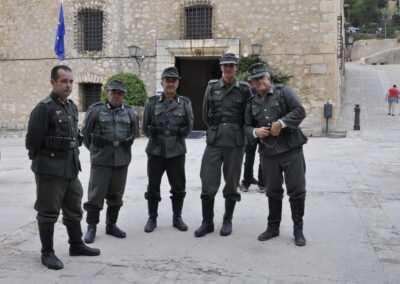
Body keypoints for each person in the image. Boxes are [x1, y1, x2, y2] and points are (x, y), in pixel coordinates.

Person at [25, 65, 100, 270]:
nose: (68, 85)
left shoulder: (70, 107)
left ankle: (76, 244)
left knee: (74, 208)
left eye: (70, 81)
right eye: (64, 81)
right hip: (50, 170)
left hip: (70, 168)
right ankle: (47, 252)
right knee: (48, 212)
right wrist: (43, 164)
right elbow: (32, 142)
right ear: (53, 83)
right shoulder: (44, 108)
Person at [244, 62, 308, 246]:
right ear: (252, 84)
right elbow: (246, 126)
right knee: (273, 190)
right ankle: (273, 227)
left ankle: (298, 229)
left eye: (263, 77)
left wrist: (282, 123)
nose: (260, 81)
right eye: (256, 80)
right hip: (268, 151)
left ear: (269, 78)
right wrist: (256, 132)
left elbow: (299, 111)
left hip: (291, 149)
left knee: (296, 190)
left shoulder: (283, 92)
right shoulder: (251, 103)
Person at [195, 53, 252, 237]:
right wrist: (214, 130)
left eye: (231, 65)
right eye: (225, 65)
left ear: (236, 67)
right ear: (221, 67)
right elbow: (205, 114)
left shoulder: (244, 89)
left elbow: (249, 116)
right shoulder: (212, 87)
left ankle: (227, 220)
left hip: (236, 142)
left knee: (232, 182)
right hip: (215, 140)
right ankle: (207, 222)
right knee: (208, 179)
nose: (228, 68)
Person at [81, 79, 136, 243]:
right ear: (108, 92)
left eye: (120, 93)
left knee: (117, 195)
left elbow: (133, 134)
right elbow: (85, 136)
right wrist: (95, 150)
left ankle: (111, 225)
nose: (117, 96)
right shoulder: (96, 110)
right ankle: (91, 227)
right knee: (95, 195)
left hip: (121, 160)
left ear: (124, 95)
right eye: (114, 92)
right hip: (101, 160)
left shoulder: (129, 112)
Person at [142, 67, 193, 233]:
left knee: (178, 186)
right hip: (156, 150)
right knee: (153, 186)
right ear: (162, 83)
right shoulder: (152, 103)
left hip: (176, 150)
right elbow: (145, 128)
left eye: (173, 81)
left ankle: (177, 217)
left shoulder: (185, 103)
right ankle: (152, 217)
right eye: (167, 81)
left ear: (177, 84)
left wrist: (175, 137)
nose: (170, 84)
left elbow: (188, 127)